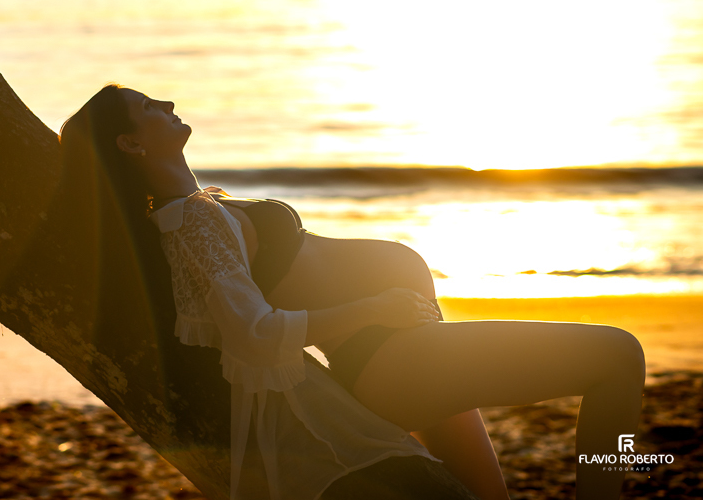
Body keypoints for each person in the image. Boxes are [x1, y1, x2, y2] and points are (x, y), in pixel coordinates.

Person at [58, 84, 645, 500]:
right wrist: (377, 306)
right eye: (146, 107)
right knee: (618, 356)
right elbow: (255, 333)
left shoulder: (203, 208)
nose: (165, 104)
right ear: (131, 146)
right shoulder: (190, 222)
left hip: (408, 344)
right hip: (389, 356)